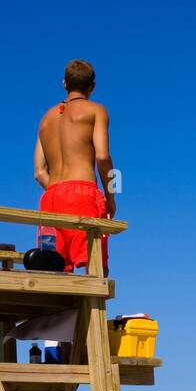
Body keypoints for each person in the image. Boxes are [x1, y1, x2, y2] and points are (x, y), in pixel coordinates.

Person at [33, 59, 116, 274]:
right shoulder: (96, 111)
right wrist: (110, 198)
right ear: (92, 87)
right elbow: (103, 156)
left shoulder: (46, 119)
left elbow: (39, 172)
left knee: (52, 267)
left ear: (64, 83)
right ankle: (94, 309)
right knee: (95, 266)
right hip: (82, 193)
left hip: (51, 197)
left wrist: (58, 192)